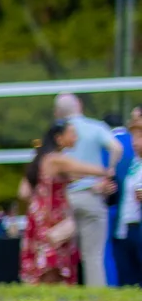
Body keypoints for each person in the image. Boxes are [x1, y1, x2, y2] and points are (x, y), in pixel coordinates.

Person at [18, 122, 109, 286]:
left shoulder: (40, 159)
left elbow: (23, 192)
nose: (76, 137)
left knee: (46, 264)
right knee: (53, 265)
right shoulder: (56, 160)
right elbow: (83, 169)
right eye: (72, 133)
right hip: (53, 218)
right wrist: (108, 169)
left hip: (40, 217)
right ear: (59, 138)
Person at [55, 92, 121, 286]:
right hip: (91, 195)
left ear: (58, 111)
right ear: (80, 105)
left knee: (61, 254)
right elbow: (116, 148)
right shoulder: (95, 127)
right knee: (93, 256)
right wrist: (108, 173)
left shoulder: (56, 134)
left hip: (63, 198)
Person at [113, 106, 142, 287]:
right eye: (134, 136)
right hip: (125, 229)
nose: (135, 141)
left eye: (140, 136)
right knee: (128, 283)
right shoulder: (129, 163)